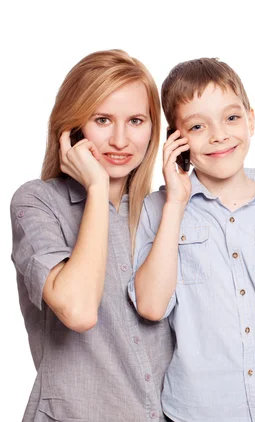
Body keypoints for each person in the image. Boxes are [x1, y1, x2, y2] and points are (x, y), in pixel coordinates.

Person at [129, 57, 255, 422]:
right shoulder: (158, 209)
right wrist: (176, 201)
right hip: (201, 411)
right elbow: (151, 306)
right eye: (197, 125)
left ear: (251, 120)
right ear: (176, 139)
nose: (219, 135)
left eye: (231, 118)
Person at [10, 49, 173, 421]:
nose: (120, 139)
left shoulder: (165, 210)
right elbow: (79, 310)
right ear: (73, 127)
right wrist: (97, 189)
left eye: (135, 120)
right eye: (102, 119)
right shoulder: (37, 202)